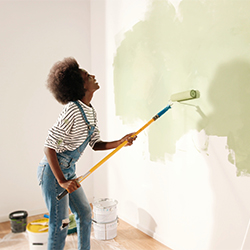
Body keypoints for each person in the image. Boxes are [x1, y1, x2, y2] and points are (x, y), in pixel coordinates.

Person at [37, 57, 136, 250]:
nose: (93, 76)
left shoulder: (90, 111)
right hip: (53, 173)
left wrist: (121, 142)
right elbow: (49, 147)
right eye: (87, 76)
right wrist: (62, 181)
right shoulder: (72, 110)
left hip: (68, 172)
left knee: (84, 214)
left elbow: (95, 144)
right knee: (61, 225)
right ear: (80, 85)